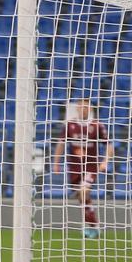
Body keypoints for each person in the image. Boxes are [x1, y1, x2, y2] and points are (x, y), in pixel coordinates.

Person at [53, 98, 113, 239]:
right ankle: (93, 226)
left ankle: (93, 226)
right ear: (77, 108)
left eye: (86, 107)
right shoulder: (70, 125)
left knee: (84, 192)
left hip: (90, 166)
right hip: (74, 167)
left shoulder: (97, 125)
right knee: (82, 198)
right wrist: (56, 163)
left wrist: (105, 161)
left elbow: (109, 145)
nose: (83, 109)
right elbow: (60, 144)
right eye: (81, 106)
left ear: (90, 109)